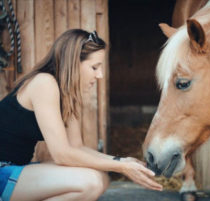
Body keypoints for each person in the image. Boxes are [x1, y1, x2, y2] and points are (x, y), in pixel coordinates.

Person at [0, 29, 163, 201]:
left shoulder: (68, 94)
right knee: (91, 182)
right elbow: (62, 154)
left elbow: (76, 147)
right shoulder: (43, 83)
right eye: (94, 67)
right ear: (73, 63)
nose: (99, 75)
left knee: (101, 178)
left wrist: (122, 161)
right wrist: (120, 167)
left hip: (16, 169)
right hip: (4, 170)